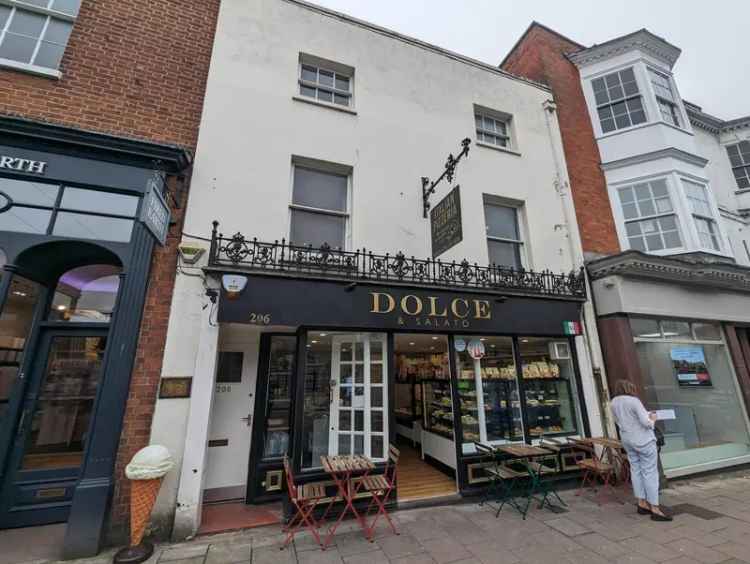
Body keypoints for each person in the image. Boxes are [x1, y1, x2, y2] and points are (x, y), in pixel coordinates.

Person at [610, 379, 672, 521]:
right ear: (629, 388)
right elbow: (646, 423)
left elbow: (617, 421)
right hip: (643, 440)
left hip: (627, 440)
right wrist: (653, 418)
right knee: (650, 472)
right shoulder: (634, 401)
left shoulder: (613, 402)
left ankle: (641, 503)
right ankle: (655, 509)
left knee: (636, 470)